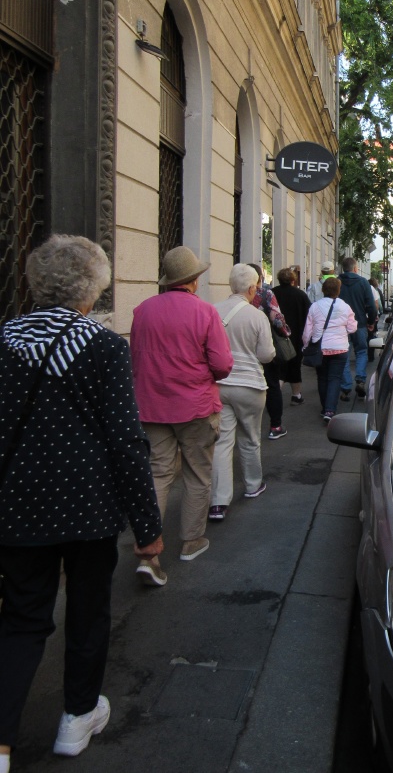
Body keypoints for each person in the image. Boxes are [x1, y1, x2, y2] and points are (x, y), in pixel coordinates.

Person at [0, 235, 162, 771]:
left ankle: (1, 744)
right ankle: (77, 716)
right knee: (89, 612)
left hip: (18, 507)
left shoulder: (4, 340)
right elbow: (124, 439)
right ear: (93, 288)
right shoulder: (102, 346)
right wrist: (147, 524)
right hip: (88, 508)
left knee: (22, 619)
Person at [130, 246, 233, 574]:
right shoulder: (205, 313)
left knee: (158, 473)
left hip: (152, 406)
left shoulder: (142, 311)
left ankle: (149, 551)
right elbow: (222, 364)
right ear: (194, 279)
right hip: (196, 406)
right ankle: (190, 541)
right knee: (197, 473)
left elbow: (135, 359)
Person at [208, 264, 275, 521]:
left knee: (222, 441)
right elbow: (266, 355)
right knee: (250, 437)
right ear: (251, 288)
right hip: (250, 386)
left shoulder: (213, 311)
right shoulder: (257, 316)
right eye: (257, 286)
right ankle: (252, 485)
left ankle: (218, 502)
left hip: (220, 384)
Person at [302, 277, 357, 422]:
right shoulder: (345, 306)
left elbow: (308, 330)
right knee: (335, 378)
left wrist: (306, 344)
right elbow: (352, 328)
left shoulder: (314, 307)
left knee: (322, 378)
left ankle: (324, 407)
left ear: (323, 290)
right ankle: (330, 410)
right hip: (340, 348)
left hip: (321, 348)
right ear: (338, 290)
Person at [248, 263, 291, 440]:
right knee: (272, 385)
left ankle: (248, 426)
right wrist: (286, 332)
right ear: (260, 278)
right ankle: (275, 426)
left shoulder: (235, 296)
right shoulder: (266, 293)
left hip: (243, 349)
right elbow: (277, 319)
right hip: (263, 346)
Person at [338, 257, 377, 400]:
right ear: (355, 268)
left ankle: (346, 386)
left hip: (341, 326)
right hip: (359, 323)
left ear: (343, 268)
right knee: (361, 351)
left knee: (344, 354)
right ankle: (360, 380)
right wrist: (371, 321)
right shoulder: (363, 283)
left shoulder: (337, 282)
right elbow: (371, 306)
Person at [272, 267, 311, 404]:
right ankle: (296, 395)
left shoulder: (272, 293)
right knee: (295, 367)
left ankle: (275, 395)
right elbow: (309, 316)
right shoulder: (301, 295)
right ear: (293, 280)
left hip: (276, 337)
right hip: (296, 337)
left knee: (278, 368)